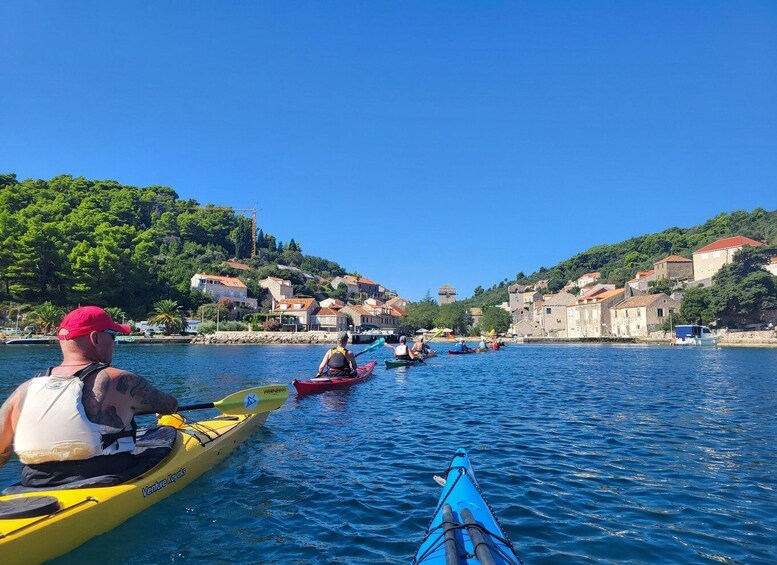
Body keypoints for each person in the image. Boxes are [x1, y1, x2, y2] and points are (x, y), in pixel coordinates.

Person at [0, 306, 179, 488]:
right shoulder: (121, 380)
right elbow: (170, 405)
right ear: (95, 338)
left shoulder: (24, 390)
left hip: (34, 484)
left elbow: (2, 449)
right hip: (102, 478)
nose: (114, 343)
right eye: (113, 335)